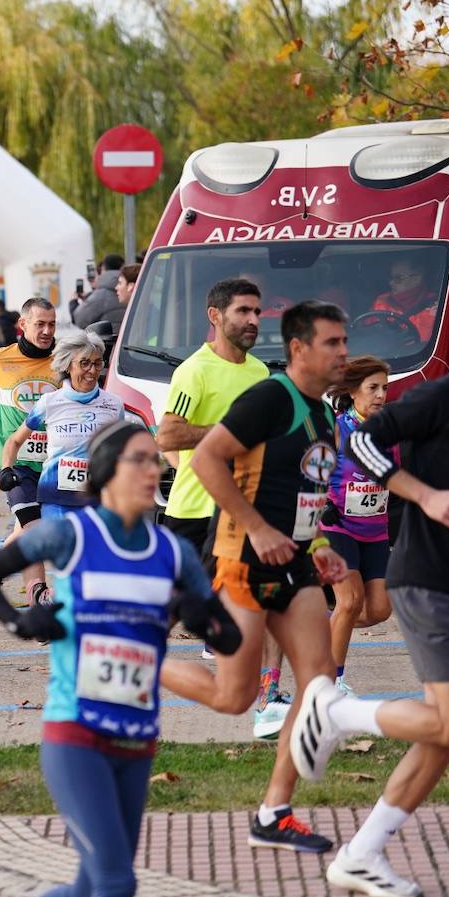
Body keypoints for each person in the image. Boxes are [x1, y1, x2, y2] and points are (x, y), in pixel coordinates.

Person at [0, 421, 242, 897]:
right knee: (117, 885)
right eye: (140, 459)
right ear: (107, 471)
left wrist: (204, 618)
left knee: (92, 886)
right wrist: (20, 622)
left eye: (155, 459)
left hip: (136, 739)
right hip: (76, 734)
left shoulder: (173, 552)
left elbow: (231, 637)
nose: (152, 468)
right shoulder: (69, 534)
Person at [160, 300, 350, 854]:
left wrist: (318, 546)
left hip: (295, 567)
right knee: (234, 697)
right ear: (298, 349)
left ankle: (274, 812)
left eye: (344, 342)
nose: (343, 352)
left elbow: (307, 488)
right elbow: (205, 460)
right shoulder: (270, 396)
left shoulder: (323, 412)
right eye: (332, 343)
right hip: (243, 558)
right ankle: (133, 659)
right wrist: (257, 528)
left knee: (317, 683)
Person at [287, 369, 449, 897]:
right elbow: (361, 441)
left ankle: (361, 854)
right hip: (432, 579)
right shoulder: (448, 394)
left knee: (441, 739)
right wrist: (424, 496)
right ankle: (335, 712)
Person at [153, 279, 285, 735]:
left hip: (248, 509)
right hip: (194, 511)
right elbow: (168, 436)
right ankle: (118, 674)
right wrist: (230, 431)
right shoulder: (195, 371)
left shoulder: (261, 375)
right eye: (243, 312)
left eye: (256, 312)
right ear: (215, 315)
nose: (252, 321)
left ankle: (270, 700)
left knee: (266, 601)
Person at [0, 297, 61, 606]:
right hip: (16, 462)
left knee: (28, 529)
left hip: (57, 462)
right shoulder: (0, 358)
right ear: (23, 324)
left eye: (52, 324)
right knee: (33, 528)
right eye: (40, 324)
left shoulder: (64, 359)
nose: (47, 331)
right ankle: (38, 598)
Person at [321, 356, 395, 697]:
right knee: (349, 602)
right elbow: (307, 473)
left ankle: (314, 630)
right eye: (373, 388)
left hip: (376, 532)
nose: (381, 395)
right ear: (353, 391)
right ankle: (331, 683)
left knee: (379, 610)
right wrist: (323, 504)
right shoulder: (337, 427)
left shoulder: (391, 431)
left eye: (385, 388)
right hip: (338, 528)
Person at [2, 330, 122, 522]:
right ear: (68, 366)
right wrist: (6, 469)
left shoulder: (114, 404)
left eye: (97, 363)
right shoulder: (49, 402)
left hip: (100, 500)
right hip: (56, 498)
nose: (92, 370)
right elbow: (15, 440)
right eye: (84, 363)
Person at [368, 256, 438, 343]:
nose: (391, 283)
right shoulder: (382, 301)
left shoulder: (437, 305)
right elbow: (369, 334)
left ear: (416, 279)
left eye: (398, 278)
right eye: (391, 278)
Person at [72, 254, 125, 329]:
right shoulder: (131, 287)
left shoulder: (101, 296)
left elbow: (80, 320)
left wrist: (73, 303)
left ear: (103, 268)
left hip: (107, 340)